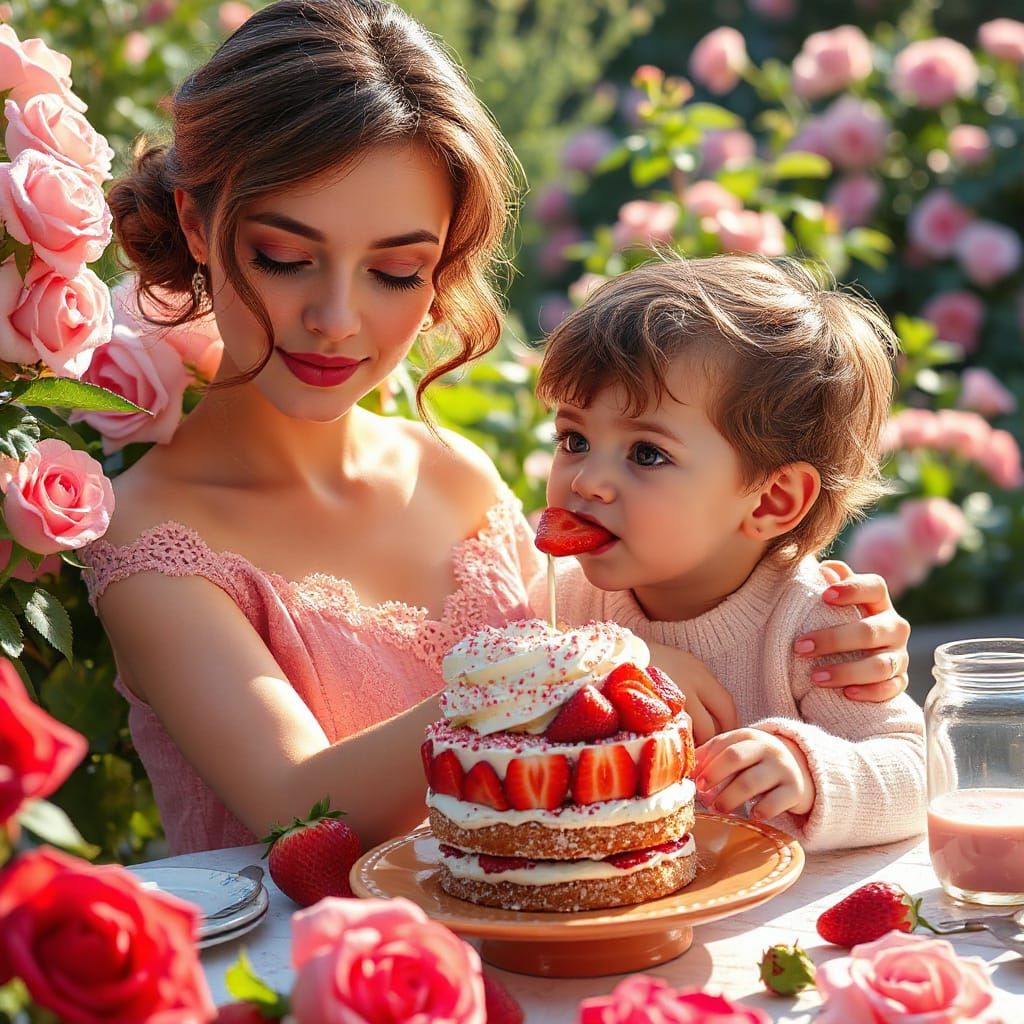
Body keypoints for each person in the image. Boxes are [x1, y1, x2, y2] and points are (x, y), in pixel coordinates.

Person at [83, 0, 913, 856]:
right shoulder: (151, 533)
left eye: (397, 271)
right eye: (285, 258)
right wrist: (582, 674)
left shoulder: (456, 474)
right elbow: (300, 814)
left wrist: (813, 627)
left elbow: (646, 623)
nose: (336, 317)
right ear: (195, 223)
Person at [531, 255, 926, 851]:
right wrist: (613, 661)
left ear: (772, 500)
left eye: (646, 454)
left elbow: (918, 773)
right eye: (575, 439)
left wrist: (806, 770)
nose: (587, 480)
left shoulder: (815, 625)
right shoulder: (565, 600)